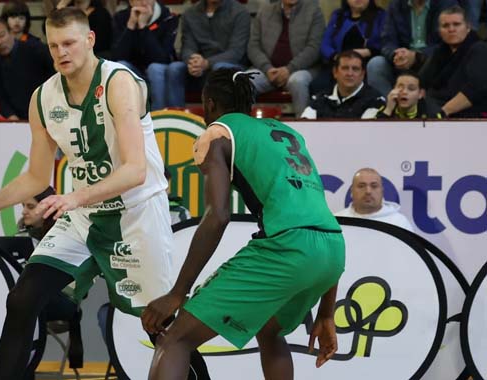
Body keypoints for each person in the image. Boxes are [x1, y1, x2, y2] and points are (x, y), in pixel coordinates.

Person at [0, 8, 207, 379]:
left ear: (90, 40)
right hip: (84, 218)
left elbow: (135, 169)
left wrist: (74, 197)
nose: (61, 53)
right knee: (22, 298)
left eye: (68, 43)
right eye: (53, 45)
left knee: (161, 324)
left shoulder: (119, 83)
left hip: (136, 214)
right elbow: (35, 176)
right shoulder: (43, 99)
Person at [143, 69, 345, 379]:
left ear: (208, 105)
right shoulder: (286, 132)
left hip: (287, 247)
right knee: (270, 331)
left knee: (176, 339)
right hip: (332, 251)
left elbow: (218, 215)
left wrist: (177, 293)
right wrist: (327, 313)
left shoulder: (217, 133)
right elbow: (318, 220)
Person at [164, 0, 251, 108]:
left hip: (229, 66)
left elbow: (236, 52)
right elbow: (187, 47)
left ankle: (219, 119)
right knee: (174, 68)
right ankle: (177, 118)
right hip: (199, 69)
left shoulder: (240, 12)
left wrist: (207, 63)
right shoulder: (190, 13)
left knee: (220, 68)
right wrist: (192, 61)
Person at [247, 0, 325, 115]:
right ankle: (244, 127)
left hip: (301, 69)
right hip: (268, 71)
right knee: (244, 81)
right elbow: (253, 46)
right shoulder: (264, 11)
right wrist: (267, 68)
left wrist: (289, 69)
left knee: (297, 81)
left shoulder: (314, 11)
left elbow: (314, 48)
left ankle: (303, 127)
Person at [366, 0, 457, 96]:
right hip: (402, 60)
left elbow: (447, 43)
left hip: (431, 59)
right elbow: (387, 41)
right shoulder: (395, 5)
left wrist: (417, 56)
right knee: (375, 64)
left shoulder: (446, 4)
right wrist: (396, 55)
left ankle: (428, 107)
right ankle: (388, 107)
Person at [419, 5, 487, 118]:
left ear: (468, 27)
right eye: (445, 26)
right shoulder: (439, 52)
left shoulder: (480, 49)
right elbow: (421, 81)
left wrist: (442, 113)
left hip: (466, 114)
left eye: (456, 24)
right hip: (434, 108)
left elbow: (476, 89)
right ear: (439, 31)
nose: (451, 29)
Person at [110, 0, 179, 110]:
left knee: (155, 68)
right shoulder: (121, 18)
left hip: (160, 70)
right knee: (121, 65)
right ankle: (127, 113)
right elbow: (116, 57)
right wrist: (130, 26)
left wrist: (143, 27)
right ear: (131, 2)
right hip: (135, 70)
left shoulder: (168, 17)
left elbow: (161, 58)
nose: (144, 2)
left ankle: (159, 115)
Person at [0, 19, 55, 120]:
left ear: (11, 33)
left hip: (47, 112)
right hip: (17, 120)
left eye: (2, 35)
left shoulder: (36, 50)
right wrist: (10, 115)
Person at [311, 0, 386, 93]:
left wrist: (369, 51)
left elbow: (385, 43)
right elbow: (325, 44)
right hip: (338, 62)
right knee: (318, 85)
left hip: (366, 63)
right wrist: (336, 56)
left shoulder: (381, 16)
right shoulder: (338, 15)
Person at [301, 50, 385, 119]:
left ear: (362, 74)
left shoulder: (376, 100)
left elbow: (364, 132)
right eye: (345, 68)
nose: (349, 73)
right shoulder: (319, 99)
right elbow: (304, 128)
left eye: (355, 69)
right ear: (335, 72)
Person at [336, 168, 414, 231]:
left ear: (382, 191)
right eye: (361, 186)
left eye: (374, 186)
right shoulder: (337, 221)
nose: (368, 191)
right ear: (352, 191)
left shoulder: (399, 222)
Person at [45, 0, 113, 56]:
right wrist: (61, 5)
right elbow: (47, 29)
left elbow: (102, 44)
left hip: (92, 54)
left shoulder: (101, 14)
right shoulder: (65, 11)